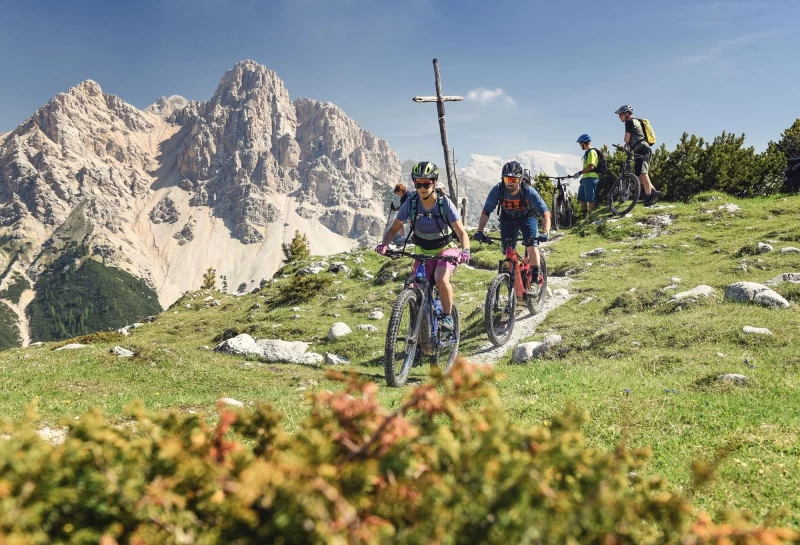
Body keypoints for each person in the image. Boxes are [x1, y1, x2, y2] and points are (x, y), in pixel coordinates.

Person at [376, 161, 470, 332]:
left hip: (445, 249)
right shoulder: (411, 203)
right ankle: (420, 333)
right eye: (419, 183)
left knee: (441, 278)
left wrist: (465, 251)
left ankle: (448, 317)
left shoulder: (444, 203)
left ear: (433, 182)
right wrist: (384, 244)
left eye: (427, 183)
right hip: (421, 251)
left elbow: (462, 232)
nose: (423, 187)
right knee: (417, 287)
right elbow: (394, 229)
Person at [473, 161, 551, 294]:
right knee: (508, 251)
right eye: (507, 179)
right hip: (507, 218)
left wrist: (546, 232)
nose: (510, 182)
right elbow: (486, 211)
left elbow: (545, 212)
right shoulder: (498, 190)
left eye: (513, 179)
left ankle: (534, 279)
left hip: (527, 217)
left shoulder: (528, 191)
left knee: (532, 245)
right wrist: (479, 230)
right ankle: (514, 281)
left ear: (520, 179)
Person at [615, 105, 663, 206]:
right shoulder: (638, 121)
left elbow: (626, 139)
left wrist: (626, 143)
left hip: (641, 149)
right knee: (639, 175)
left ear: (627, 113)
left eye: (620, 114)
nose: (619, 116)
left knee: (643, 173)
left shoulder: (629, 122)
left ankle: (649, 197)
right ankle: (654, 192)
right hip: (643, 148)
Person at [573, 133, 600, 218]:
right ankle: (585, 216)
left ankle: (591, 217)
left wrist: (580, 173)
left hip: (591, 177)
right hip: (585, 178)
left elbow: (591, 167)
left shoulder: (591, 152)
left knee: (590, 198)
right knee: (581, 197)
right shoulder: (587, 152)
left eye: (580, 144)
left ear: (583, 143)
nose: (580, 146)